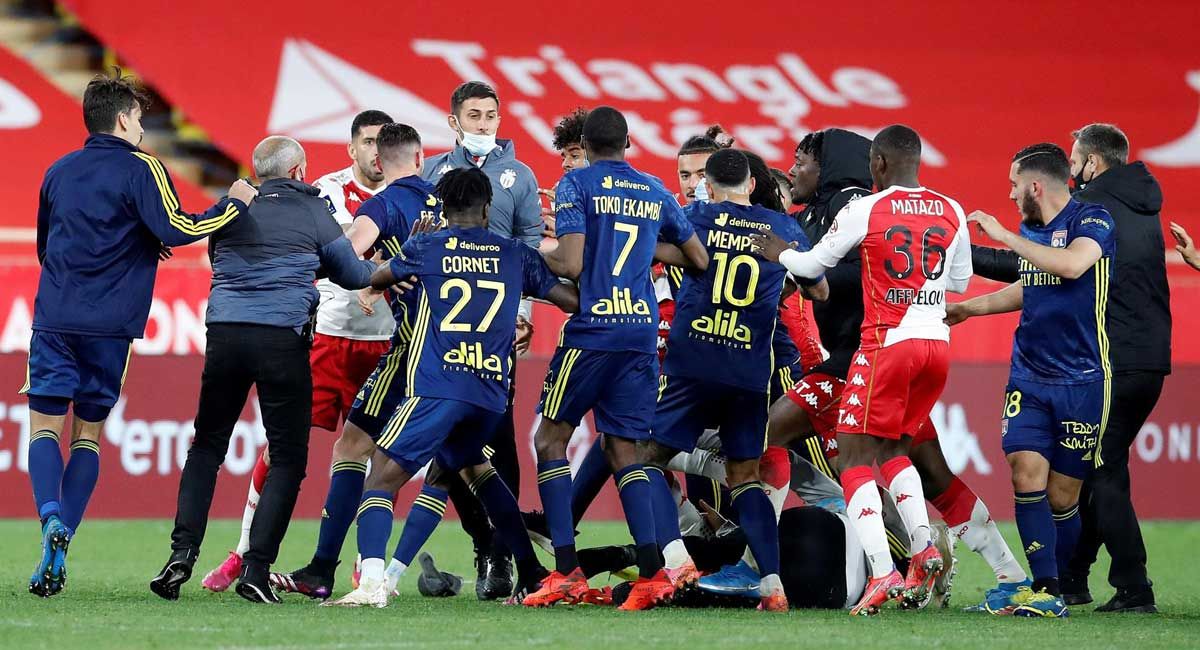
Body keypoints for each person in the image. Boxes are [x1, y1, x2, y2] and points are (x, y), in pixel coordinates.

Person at [25, 71, 254, 598]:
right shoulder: (142, 168)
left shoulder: (58, 170)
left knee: (43, 431)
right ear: (125, 118)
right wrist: (234, 204)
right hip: (111, 326)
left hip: (55, 317)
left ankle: (50, 521)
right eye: (141, 116)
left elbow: (44, 245)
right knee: (87, 435)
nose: (144, 126)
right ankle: (65, 538)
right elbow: (180, 228)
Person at [324, 168, 580, 607]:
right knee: (475, 469)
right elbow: (567, 300)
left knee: (382, 475)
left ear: (442, 210)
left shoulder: (427, 245)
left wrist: (402, 254)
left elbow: (375, 277)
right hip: (490, 393)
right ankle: (535, 572)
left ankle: (370, 586)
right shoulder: (515, 253)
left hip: (438, 386)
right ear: (487, 209)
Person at [752, 124, 973, 616]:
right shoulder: (951, 208)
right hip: (935, 346)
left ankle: (882, 573)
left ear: (877, 164)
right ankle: (924, 549)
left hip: (883, 346)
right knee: (896, 451)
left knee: (851, 461)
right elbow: (959, 281)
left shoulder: (865, 209)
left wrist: (778, 253)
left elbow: (811, 266)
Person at [150, 136, 376, 604]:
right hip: (282, 339)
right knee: (289, 457)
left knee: (207, 446)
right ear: (299, 172)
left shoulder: (232, 205)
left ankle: (181, 554)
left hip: (226, 334)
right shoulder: (315, 212)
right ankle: (256, 571)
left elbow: (217, 257)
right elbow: (353, 275)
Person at [199, 109, 395, 593]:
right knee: (281, 445)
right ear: (352, 148)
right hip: (327, 337)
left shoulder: (412, 196)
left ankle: (358, 562)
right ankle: (243, 553)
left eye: (384, 144)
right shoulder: (321, 192)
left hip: (386, 342)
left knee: (376, 457)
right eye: (368, 142)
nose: (376, 152)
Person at [522, 106, 708, 611]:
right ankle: (651, 573)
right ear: (628, 143)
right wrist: (647, 246)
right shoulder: (653, 189)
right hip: (642, 334)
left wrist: (526, 248)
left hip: (593, 331)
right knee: (625, 449)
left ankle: (564, 570)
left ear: (587, 143)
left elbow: (571, 262)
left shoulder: (577, 187)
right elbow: (699, 259)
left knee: (550, 437)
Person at [639, 148, 828, 613]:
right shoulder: (779, 227)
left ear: (710, 185)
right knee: (745, 475)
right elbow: (818, 289)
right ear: (749, 185)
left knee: (644, 459)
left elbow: (657, 252)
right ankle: (772, 584)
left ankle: (676, 558)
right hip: (748, 372)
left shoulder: (695, 215)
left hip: (692, 364)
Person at [270, 123, 440, 600]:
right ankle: (530, 569)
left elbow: (348, 249)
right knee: (465, 467)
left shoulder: (384, 204)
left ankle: (336, 570)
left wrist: (294, 256)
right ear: (422, 158)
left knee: (353, 451)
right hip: (467, 353)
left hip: (411, 347)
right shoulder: (451, 203)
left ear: (380, 164)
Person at [946, 142, 1116, 619]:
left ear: (1035, 186)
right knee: (1025, 473)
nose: (1010, 194)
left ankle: (1064, 584)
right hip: (1029, 375)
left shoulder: (1093, 221)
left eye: (1014, 185)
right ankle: (1043, 590)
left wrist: (1004, 236)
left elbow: (1071, 266)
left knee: (1064, 496)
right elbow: (1032, 284)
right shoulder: (1033, 231)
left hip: (1082, 380)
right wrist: (969, 308)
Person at [421, 81, 543, 598]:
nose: (484, 125)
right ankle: (483, 541)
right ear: (454, 121)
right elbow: (423, 239)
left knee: (498, 444)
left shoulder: (521, 176)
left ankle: (501, 557)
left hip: (496, 332)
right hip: (442, 334)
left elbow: (530, 243)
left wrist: (521, 312)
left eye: (491, 115)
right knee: (452, 446)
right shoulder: (433, 172)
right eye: (474, 115)